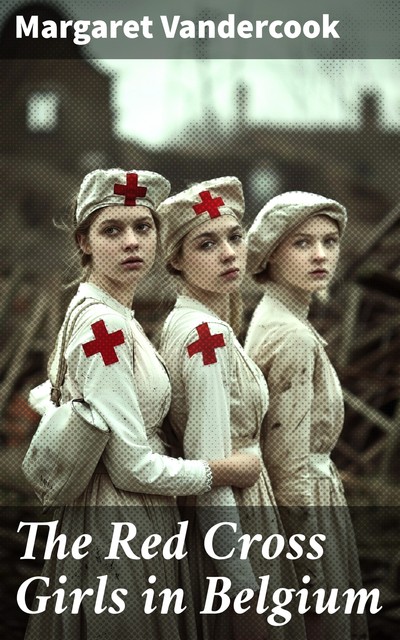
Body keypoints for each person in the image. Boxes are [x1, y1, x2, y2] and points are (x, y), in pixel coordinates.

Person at [24, 168, 262, 640]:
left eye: (144, 227)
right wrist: (223, 470)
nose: (132, 241)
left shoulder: (110, 316)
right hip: (121, 524)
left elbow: (71, 398)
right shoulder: (104, 327)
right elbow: (133, 468)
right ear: (84, 242)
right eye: (112, 229)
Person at [157, 178, 307, 640]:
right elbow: (213, 472)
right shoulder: (207, 336)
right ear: (176, 260)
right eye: (206, 243)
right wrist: (243, 593)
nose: (228, 252)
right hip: (234, 525)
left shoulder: (195, 323)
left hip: (238, 519)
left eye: (235, 236)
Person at [245, 191, 369, 640]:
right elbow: (287, 466)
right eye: (302, 243)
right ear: (271, 253)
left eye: (330, 241)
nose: (320, 254)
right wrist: (308, 569)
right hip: (304, 515)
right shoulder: (289, 336)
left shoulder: (282, 319)